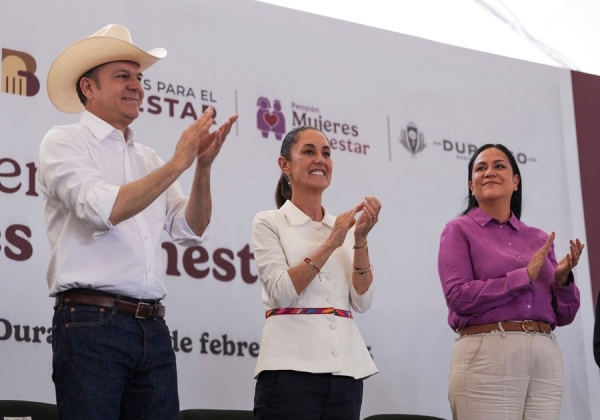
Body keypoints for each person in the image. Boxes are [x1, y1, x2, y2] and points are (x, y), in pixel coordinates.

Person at [38, 24, 237, 419]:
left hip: (153, 330)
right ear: (88, 88)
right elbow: (102, 210)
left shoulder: (147, 157)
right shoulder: (63, 142)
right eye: (122, 76)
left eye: (139, 78)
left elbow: (191, 229)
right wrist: (179, 161)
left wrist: (201, 169)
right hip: (91, 326)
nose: (136, 86)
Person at [438, 143, 584, 420]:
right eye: (481, 168)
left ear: (516, 181)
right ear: (472, 185)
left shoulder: (540, 238)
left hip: (545, 354)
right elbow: (458, 296)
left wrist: (563, 279)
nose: (489, 172)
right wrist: (522, 277)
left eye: (499, 166)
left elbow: (564, 315)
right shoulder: (458, 230)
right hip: (489, 352)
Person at [251, 126, 381, 420]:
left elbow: (362, 302)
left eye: (326, 153)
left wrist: (359, 240)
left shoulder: (345, 228)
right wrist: (332, 242)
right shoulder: (270, 222)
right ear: (285, 165)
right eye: (309, 152)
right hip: (288, 372)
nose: (320, 159)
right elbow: (281, 292)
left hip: (346, 373)